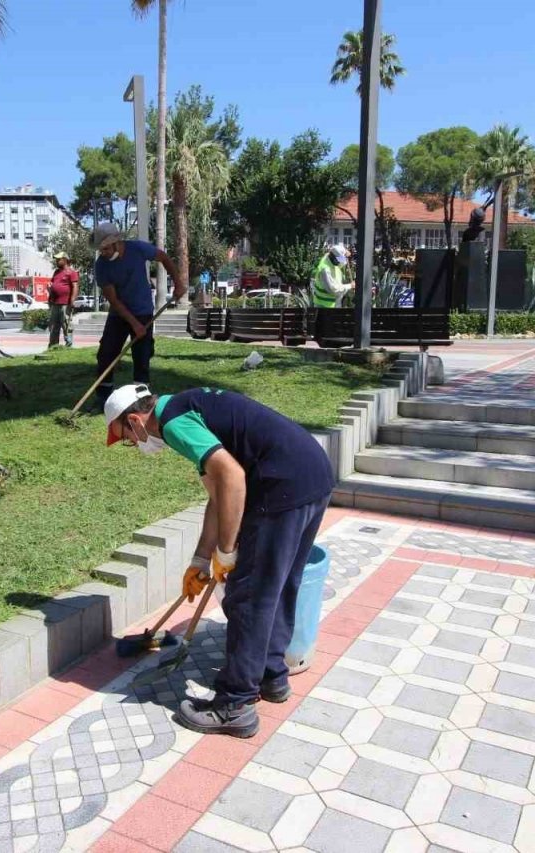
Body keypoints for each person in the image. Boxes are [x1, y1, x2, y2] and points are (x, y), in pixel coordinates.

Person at [104, 383, 335, 739]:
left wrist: (227, 552)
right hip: (311, 475)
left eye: (126, 438)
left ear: (135, 421)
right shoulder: (187, 405)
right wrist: (201, 558)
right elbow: (218, 492)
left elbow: (232, 477)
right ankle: (272, 676)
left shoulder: (174, 423)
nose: (132, 445)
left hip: (281, 485)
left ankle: (235, 705)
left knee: (249, 597)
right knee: (280, 582)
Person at [90, 222, 185, 407]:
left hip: (143, 311)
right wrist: (134, 324)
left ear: (117, 242)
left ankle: (142, 398)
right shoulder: (101, 266)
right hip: (119, 314)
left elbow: (164, 257)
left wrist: (178, 283)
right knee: (106, 353)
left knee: (141, 356)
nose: (104, 253)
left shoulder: (138, 249)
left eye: (106, 248)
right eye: (101, 250)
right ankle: (103, 396)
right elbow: (114, 301)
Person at [48, 251, 79, 348]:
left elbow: (75, 287)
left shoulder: (72, 272)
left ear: (65, 260)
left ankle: (68, 344)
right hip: (54, 303)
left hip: (65, 304)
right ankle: (53, 346)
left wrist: (72, 300)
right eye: (56, 259)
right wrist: (50, 292)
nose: (56, 261)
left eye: (58, 259)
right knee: (53, 326)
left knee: (66, 325)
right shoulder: (56, 272)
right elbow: (54, 285)